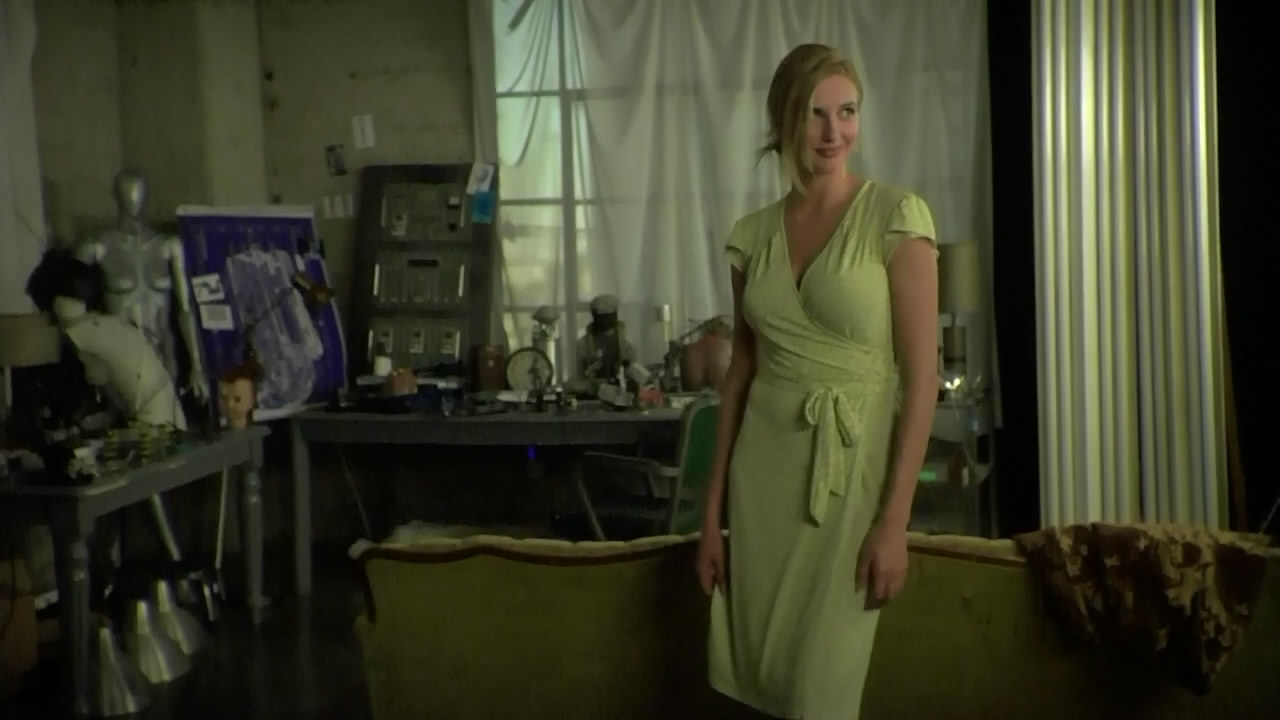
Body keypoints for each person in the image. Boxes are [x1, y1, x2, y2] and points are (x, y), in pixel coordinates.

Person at [697, 43, 939, 719]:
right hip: (761, 483)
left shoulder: (896, 216)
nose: (835, 132)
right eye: (815, 114)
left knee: (818, 694)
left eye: (848, 112)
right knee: (757, 687)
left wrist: (894, 523)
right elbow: (740, 373)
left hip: (848, 480)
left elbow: (923, 379)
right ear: (782, 121)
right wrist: (711, 516)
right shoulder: (752, 236)